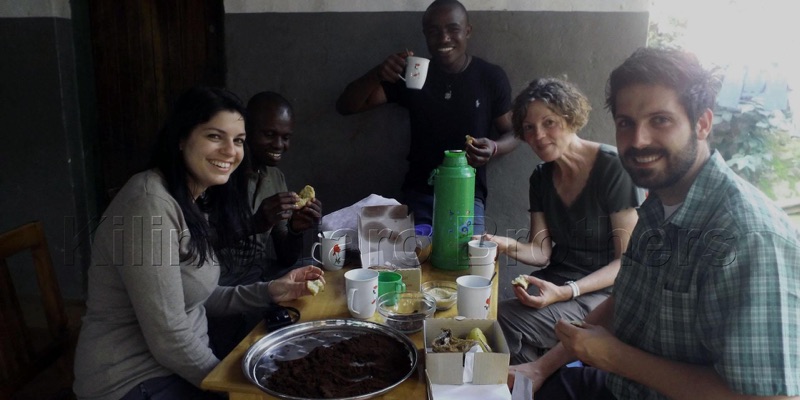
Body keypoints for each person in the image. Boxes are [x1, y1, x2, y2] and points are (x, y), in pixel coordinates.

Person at [509, 48, 800, 399]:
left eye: (660, 120)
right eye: (625, 123)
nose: (638, 141)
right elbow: (624, 302)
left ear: (703, 124)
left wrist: (617, 358)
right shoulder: (659, 205)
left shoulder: (750, 237)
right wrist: (539, 368)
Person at [73, 86, 325, 400]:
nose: (230, 152)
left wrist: (272, 290)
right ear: (181, 138)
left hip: (178, 370)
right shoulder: (147, 206)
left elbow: (195, 297)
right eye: (214, 137)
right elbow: (169, 337)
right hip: (134, 382)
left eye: (238, 141)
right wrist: (233, 388)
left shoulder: (191, 199)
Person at [486, 77, 641, 364]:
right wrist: (503, 244)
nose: (539, 136)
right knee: (489, 321)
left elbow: (626, 262)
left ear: (570, 118)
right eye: (529, 128)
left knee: (497, 323)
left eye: (549, 123)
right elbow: (540, 250)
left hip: (601, 296)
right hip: (554, 285)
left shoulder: (613, 168)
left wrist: (567, 291)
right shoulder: (541, 177)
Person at [335, 0, 519, 234]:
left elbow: (514, 132)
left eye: (453, 29)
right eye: (434, 31)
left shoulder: (489, 77)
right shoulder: (414, 74)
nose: (443, 38)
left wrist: (494, 147)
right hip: (419, 194)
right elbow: (347, 106)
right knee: (415, 263)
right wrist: (377, 73)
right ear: (425, 35)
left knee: (467, 264)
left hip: (467, 196)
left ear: (468, 31)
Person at [208, 91, 323, 357]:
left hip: (261, 274)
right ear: (245, 131)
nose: (279, 145)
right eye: (269, 135)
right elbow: (195, 244)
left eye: (286, 137)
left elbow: (285, 256)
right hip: (221, 286)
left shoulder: (274, 177)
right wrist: (254, 223)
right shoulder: (218, 176)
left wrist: (296, 228)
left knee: (315, 275)